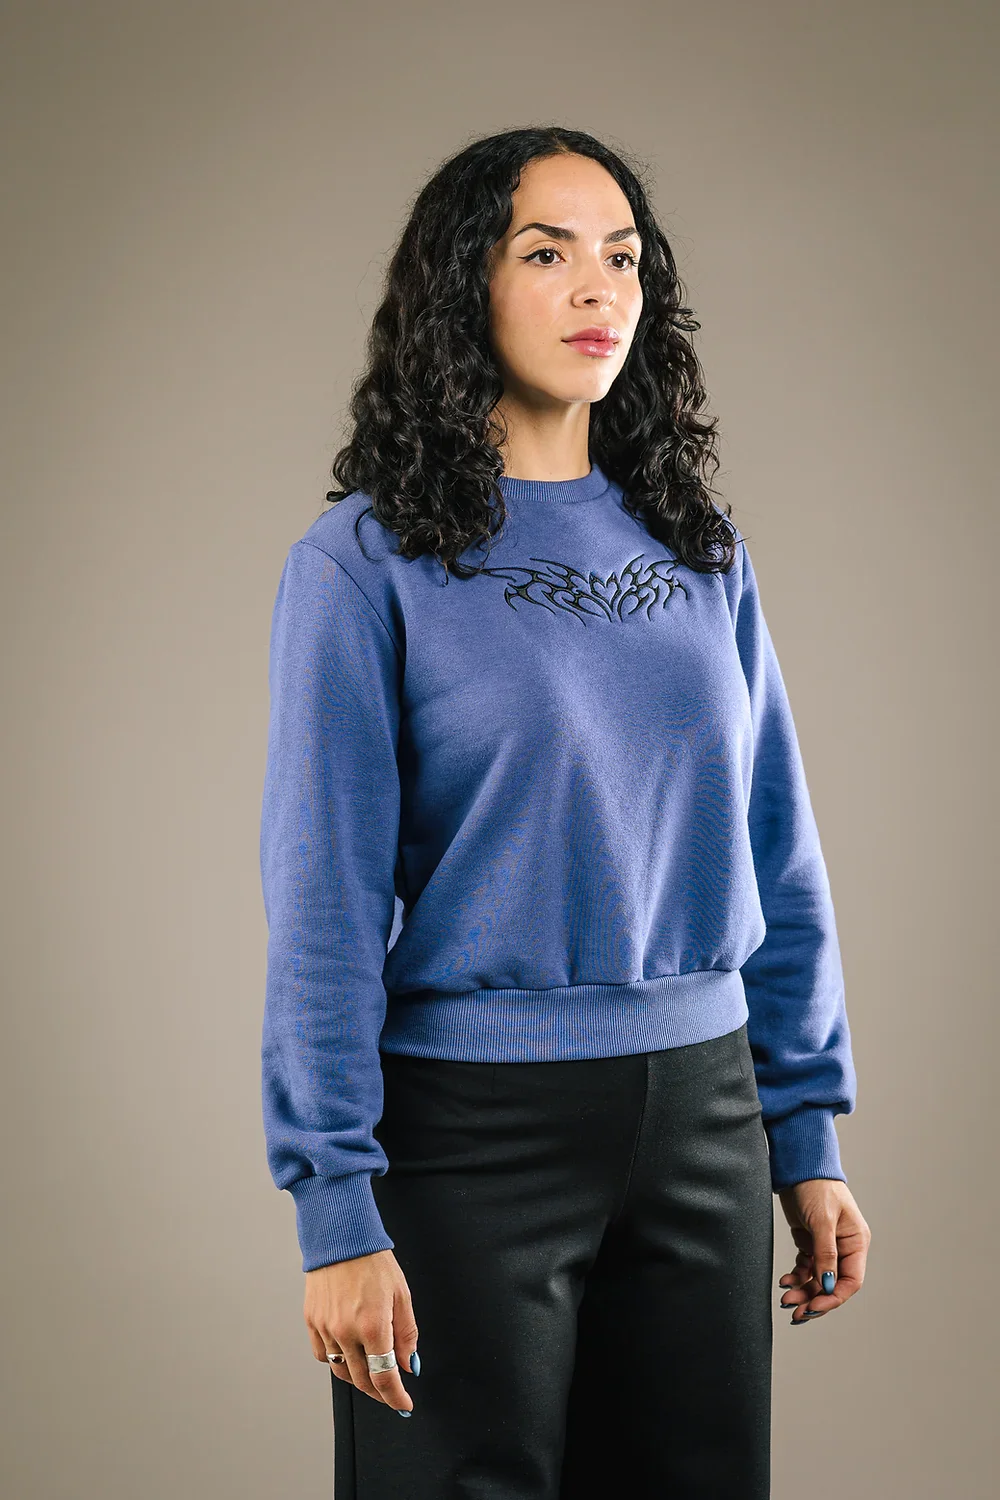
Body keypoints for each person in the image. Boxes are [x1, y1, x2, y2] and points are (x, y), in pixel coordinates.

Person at [259, 125, 872, 1498]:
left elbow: (776, 848)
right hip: (472, 1137)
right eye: (547, 253)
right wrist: (334, 1203)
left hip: (706, 1116)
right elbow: (322, 894)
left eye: (623, 257)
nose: (599, 288)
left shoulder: (701, 551)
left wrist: (806, 1130)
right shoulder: (366, 565)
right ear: (461, 284)